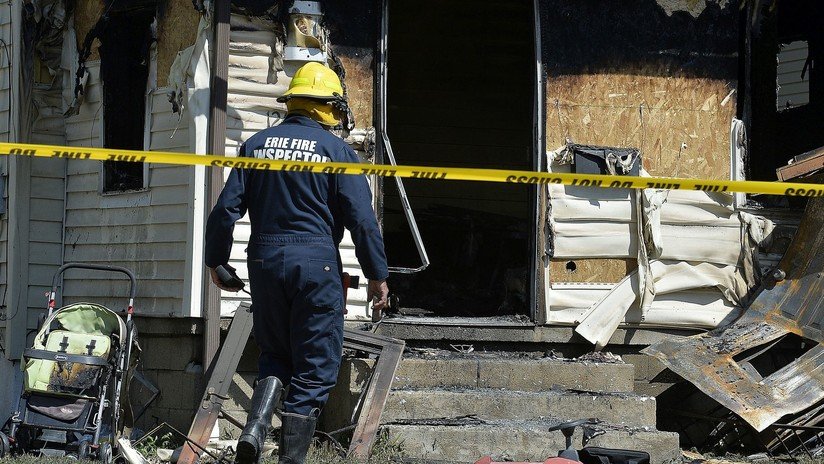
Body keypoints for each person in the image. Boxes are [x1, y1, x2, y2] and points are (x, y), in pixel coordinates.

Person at [204, 61, 389, 464]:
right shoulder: (338, 152)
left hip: (264, 262)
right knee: (315, 366)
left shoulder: (255, 146)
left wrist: (216, 261)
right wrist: (377, 275)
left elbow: (224, 211)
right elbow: (362, 220)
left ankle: (254, 428)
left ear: (293, 102)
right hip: (315, 263)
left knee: (275, 354)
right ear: (329, 108)